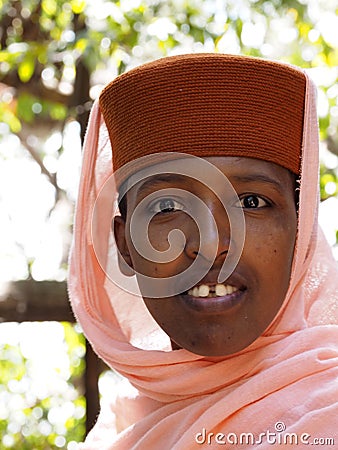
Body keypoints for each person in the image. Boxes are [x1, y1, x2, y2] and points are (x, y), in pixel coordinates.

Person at [68, 54, 338, 448]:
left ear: (301, 231)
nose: (211, 245)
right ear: (125, 243)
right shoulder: (119, 431)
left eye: (250, 202)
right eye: (168, 207)